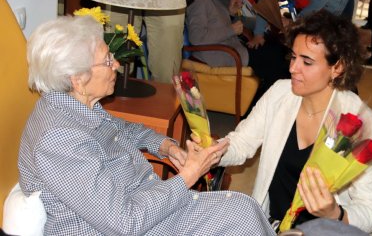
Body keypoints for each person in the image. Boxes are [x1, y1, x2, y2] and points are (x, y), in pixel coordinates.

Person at [18, 15, 277, 235]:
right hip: (127, 225)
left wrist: (167, 148)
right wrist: (188, 175)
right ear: (78, 79)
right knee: (241, 219)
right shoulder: (59, 139)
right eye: (108, 60)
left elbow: (125, 131)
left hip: (144, 205)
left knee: (244, 209)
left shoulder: (79, 105)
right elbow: (124, 222)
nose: (117, 65)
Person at [194, 10, 372, 234]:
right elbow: (242, 142)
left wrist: (335, 213)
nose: (293, 68)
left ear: (338, 67)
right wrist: (212, 150)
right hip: (273, 226)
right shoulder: (280, 94)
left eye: (307, 61)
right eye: (294, 57)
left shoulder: (359, 125)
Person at [187, 0, 290, 97]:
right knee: (276, 55)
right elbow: (197, 37)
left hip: (230, 50)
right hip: (223, 55)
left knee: (275, 51)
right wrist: (231, 29)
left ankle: (267, 100)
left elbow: (213, 24)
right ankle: (275, 102)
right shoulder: (199, 0)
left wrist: (230, 13)